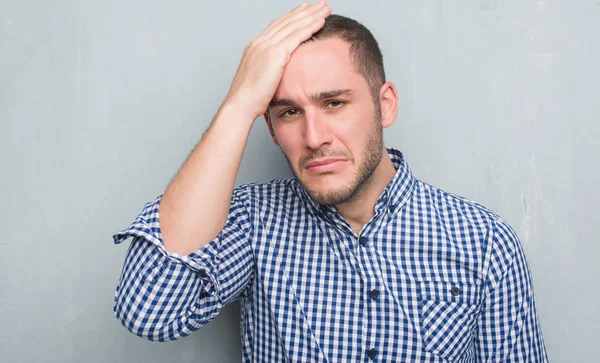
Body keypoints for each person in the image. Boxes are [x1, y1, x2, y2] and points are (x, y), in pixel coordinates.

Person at [113, 1, 548, 361]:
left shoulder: (484, 242)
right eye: (288, 112)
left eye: (335, 103)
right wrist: (239, 104)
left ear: (386, 106)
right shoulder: (251, 222)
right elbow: (150, 312)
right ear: (270, 127)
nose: (314, 137)